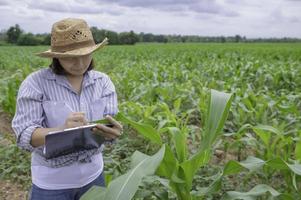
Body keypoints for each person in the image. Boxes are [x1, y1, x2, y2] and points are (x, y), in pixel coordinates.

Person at [11, 18, 123, 200]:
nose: (79, 64)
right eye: (70, 57)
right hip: (52, 185)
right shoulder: (36, 83)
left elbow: (108, 126)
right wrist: (62, 130)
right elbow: (24, 135)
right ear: (56, 56)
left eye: (85, 55)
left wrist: (113, 133)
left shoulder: (102, 82)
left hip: (94, 177)